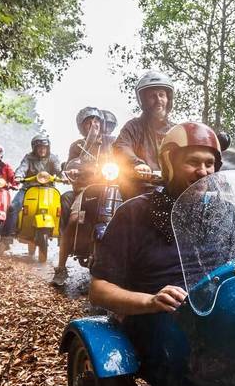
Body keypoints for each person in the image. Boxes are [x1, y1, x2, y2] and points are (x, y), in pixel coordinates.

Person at [89, 122, 222, 316]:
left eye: (209, 164)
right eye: (193, 162)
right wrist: (149, 301)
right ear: (169, 165)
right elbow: (99, 289)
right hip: (156, 327)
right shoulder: (134, 213)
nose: (203, 172)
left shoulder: (224, 212)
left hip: (221, 320)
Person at [52, 108, 118, 287]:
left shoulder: (111, 143)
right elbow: (72, 163)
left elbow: (125, 158)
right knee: (74, 220)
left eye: (96, 121)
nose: (93, 125)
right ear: (82, 126)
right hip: (87, 190)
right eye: (88, 122)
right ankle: (61, 268)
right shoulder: (78, 145)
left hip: (113, 189)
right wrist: (72, 168)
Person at [113, 70, 176, 200]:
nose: (158, 100)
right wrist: (137, 164)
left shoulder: (176, 130)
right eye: (152, 96)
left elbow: (188, 153)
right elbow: (121, 146)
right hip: (140, 192)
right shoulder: (133, 126)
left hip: (171, 191)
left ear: (168, 98)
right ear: (144, 100)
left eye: (161, 95)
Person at [2, 134, 62, 246]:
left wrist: (64, 177)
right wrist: (19, 176)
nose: (42, 150)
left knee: (63, 207)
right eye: (39, 147)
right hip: (28, 188)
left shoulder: (53, 158)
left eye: (44, 147)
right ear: (34, 148)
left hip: (49, 190)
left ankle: (62, 236)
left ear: (48, 148)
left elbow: (59, 170)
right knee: (13, 207)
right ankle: (7, 237)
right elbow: (22, 168)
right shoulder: (29, 157)